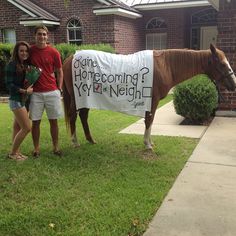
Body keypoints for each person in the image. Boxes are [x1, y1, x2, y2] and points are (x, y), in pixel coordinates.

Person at [29, 25, 63, 157]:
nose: (42, 36)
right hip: (36, 93)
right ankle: (36, 149)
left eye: (44, 34)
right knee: (35, 122)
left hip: (52, 91)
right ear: (35, 36)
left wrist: (59, 88)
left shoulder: (54, 52)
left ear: (47, 36)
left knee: (53, 121)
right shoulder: (30, 51)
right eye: (39, 34)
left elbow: (59, 71)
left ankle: (56, 147)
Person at [5, 41, 33, 160]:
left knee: (17, 127)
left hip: (22, 100)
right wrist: (24, 91)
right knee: (27, 128)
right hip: (16, 100)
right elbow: (9, 85)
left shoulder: (23, 65)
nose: (24, 53)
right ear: (17, 52)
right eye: (21, 50)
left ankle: (16, 152)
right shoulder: (11, 65)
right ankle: (12, 154)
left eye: (26, 51)